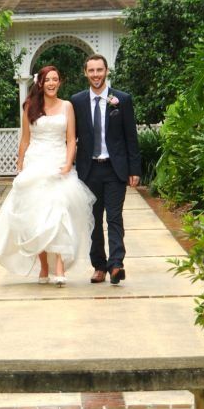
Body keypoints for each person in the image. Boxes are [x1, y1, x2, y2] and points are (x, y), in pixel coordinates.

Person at [0, 65, 95, 286]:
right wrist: (20, 164)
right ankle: (44, 266)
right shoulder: (30, 106)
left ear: (60, 82)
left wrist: (67, 164)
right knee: (35, 217)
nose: (51, 83)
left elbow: (71, 139)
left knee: (58, 213)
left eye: (55, 79)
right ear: (40, 82)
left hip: (57, 164)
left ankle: (58, 265)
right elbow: (26, 140)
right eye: (47, 79)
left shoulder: (67, 107)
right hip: (35, 163)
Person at [71, 54, 141, 284]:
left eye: (99, 70)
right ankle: (99, 266)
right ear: (85, 73)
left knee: (114, 217)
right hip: (89, 170)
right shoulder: (77, 101)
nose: (96, 75)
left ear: (107, 71)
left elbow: (131, 137)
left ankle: (116, 264)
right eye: (91, 71)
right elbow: (72, 138)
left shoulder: (122, 99)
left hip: (115, 169)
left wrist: (135, 169)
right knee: (93, 220)